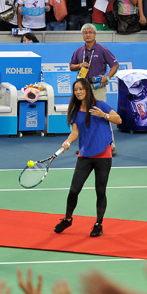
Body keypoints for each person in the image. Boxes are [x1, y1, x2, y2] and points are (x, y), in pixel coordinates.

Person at [53, 78, 121, 238]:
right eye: (75, 89)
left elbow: (119, 119)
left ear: (87, 90)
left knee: (100, 191)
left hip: (103, 154)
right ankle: (68, 219)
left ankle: (98, 224)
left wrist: (103, 115)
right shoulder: (76, 111)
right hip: (85, 154)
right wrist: (68, 141)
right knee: (74, 190)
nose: (78, 92)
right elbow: (75, 132)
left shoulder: (100, 105)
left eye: (81, 89)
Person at [69, 23, 119, 155]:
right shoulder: (79, 51)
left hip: (97, 87)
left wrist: (107, 78)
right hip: (83, 90)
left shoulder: (102, 49)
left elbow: (115, 65)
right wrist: (79, 65)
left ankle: (111, 145)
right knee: (83, 116)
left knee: (103, 114)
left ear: (95, 34)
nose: (88, 35)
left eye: (90, 32)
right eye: (85, 32)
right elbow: (71, 66)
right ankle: (85, 145)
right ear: (82, 35)